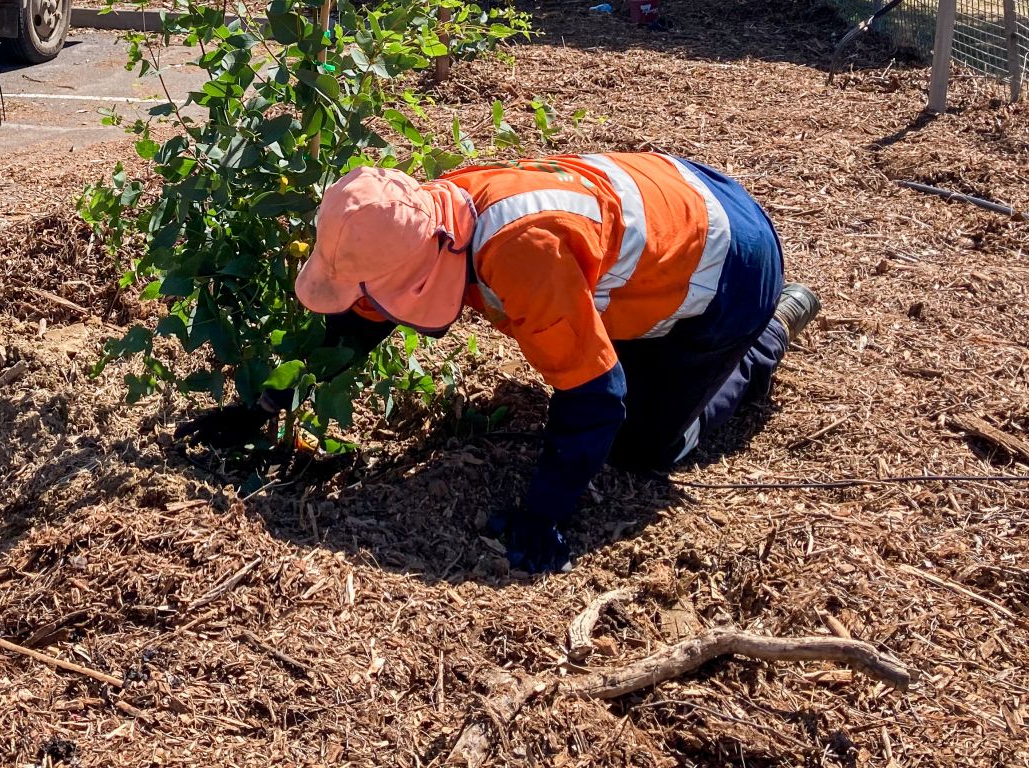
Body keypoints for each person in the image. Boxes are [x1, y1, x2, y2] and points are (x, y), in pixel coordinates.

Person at [181, 153, 820, 574]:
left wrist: (544, 512)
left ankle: (769, 331)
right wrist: (266, 402)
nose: (371, 305)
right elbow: (356, 322)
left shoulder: (523, 254)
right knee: (597, 357)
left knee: (646, 448)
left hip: (731, 263)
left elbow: (597, 396)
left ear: (420, 275)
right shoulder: (422, 214)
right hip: (677, 193)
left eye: (377, 292)